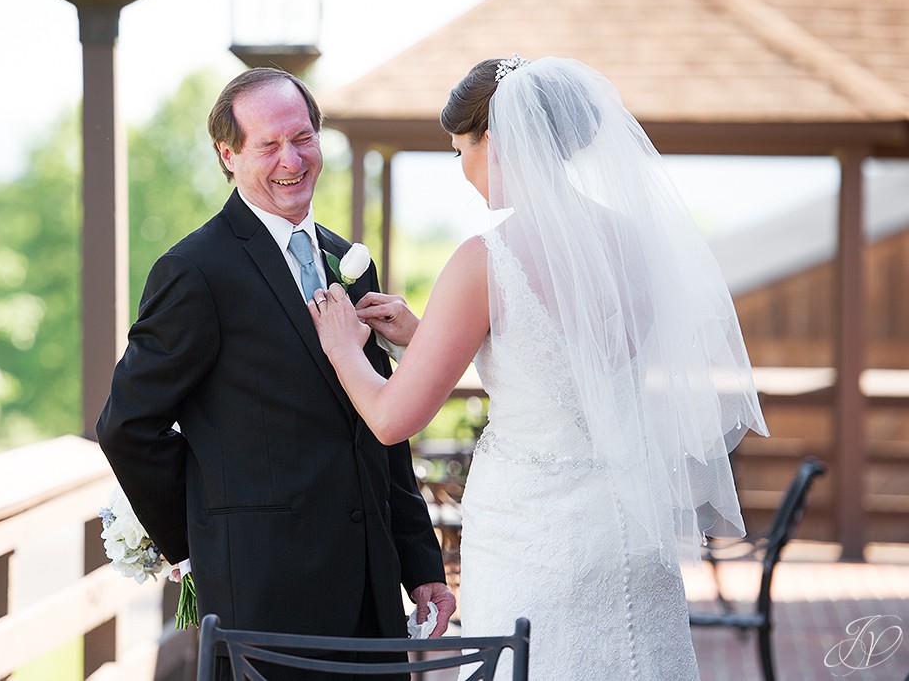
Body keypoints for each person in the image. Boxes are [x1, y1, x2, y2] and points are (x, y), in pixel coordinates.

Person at [310, 55, 769, 680]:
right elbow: (565, 377)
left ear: (494, 141)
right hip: (630, 525)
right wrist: (425, 337)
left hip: (536, 535)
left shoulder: (485, 259)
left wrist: (341, 345)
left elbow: (392, 419)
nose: (463, 172)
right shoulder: (634, 244)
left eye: (458, 152)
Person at [97, 67, 455, 678]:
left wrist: (421, 565)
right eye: (268, 145)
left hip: (372, 594)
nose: (291, 159)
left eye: (303, 138)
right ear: (228, 155)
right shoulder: (195, 271)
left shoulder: (349, 262)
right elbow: (128, 425)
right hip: (263, 598)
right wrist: (198, 538)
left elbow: (379, 423)